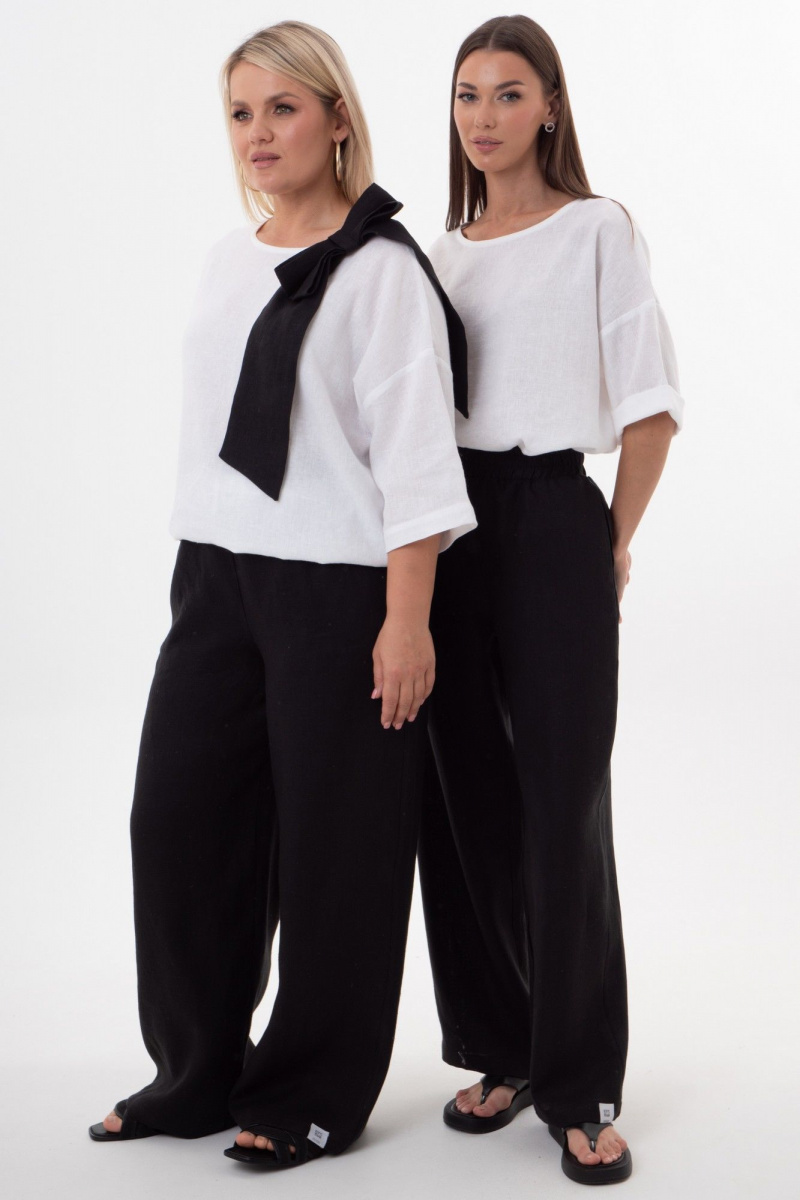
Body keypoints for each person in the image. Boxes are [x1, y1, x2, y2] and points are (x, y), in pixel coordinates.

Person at [88, 19, 476, 1170]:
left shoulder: (383, 273)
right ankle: (195, 1071)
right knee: (177, 823)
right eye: (240, 114)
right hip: (215, 576)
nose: (258, 134)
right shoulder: (229, 256)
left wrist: (405, 621)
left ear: (336, 118)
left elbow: (418, 461)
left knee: (335, 848)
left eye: (282, 109)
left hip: (342, 587)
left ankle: (309, 1092)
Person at [416, 14, 684, 1186]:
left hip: (553, 514)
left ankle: (578, 1084)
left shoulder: (594, 229)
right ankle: (503, 1047)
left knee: (562, 803)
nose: (483, 117)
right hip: (449, 524)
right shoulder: (437, 254)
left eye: (507, 93)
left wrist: (607, 543)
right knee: (463, 798)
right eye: (466, 95)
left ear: (549, 108)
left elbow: (650, 408)